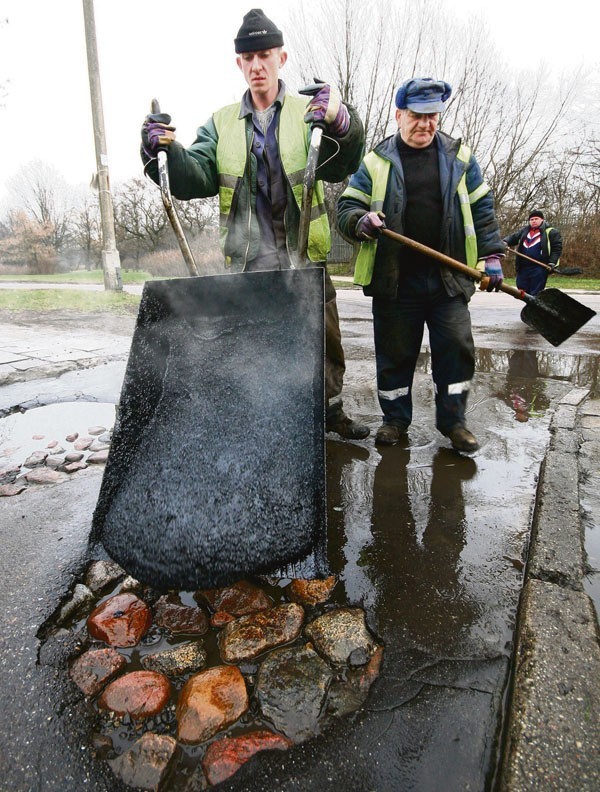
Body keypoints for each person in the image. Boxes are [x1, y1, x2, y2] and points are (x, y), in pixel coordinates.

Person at [140, 8, 369, 440]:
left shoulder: (310, 112)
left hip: (304, 256)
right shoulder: (222, 123)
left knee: (324, 341)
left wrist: (341, 121)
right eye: (248, 57)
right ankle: (263, 418)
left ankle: (330, 412)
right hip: (249, 260)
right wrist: (161, 153)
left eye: (265, 54)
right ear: (239, 63)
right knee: (254, 345)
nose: (257, 65)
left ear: (282, 57)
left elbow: (344, 162)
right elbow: (194, 177)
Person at [337, 77, 505, 453]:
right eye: (417, 115)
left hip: (449, 281)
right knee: (394, 357)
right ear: (399, 115)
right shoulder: (377, 161)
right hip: (396, 283)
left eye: (433, 116)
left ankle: (454, 422)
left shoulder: (459, 158)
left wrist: (492, 255)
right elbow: (346, 207)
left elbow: (482, 209)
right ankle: (395, 420)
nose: (426, 124)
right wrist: (361, 222)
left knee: (457, 349)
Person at [502, 210, 563, 296]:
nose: (533, 221)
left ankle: (533, 306)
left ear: (542, 219)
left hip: (539, 267)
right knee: (522, 289)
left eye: (536, 219)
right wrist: (505, 242)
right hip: (523, 267)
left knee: (535, 292)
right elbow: (514, 237)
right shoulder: (525, 231)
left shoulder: (551, 232)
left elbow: (557, 249)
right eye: (531, 219)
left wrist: (552, 262)